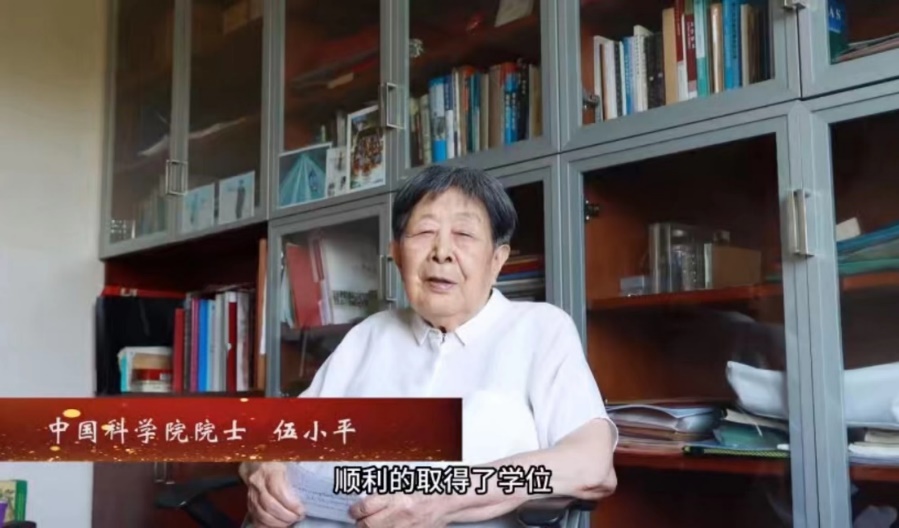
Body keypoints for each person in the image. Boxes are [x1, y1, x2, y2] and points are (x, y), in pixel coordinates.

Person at [239, 165, 618, 528]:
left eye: (464, 234)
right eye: (424, 232)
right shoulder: (368, 335)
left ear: (497, 260)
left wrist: (450, 496)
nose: (442, 252)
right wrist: (263, 469)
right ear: (396, 253)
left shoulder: (540, 329)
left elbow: (592, 465)